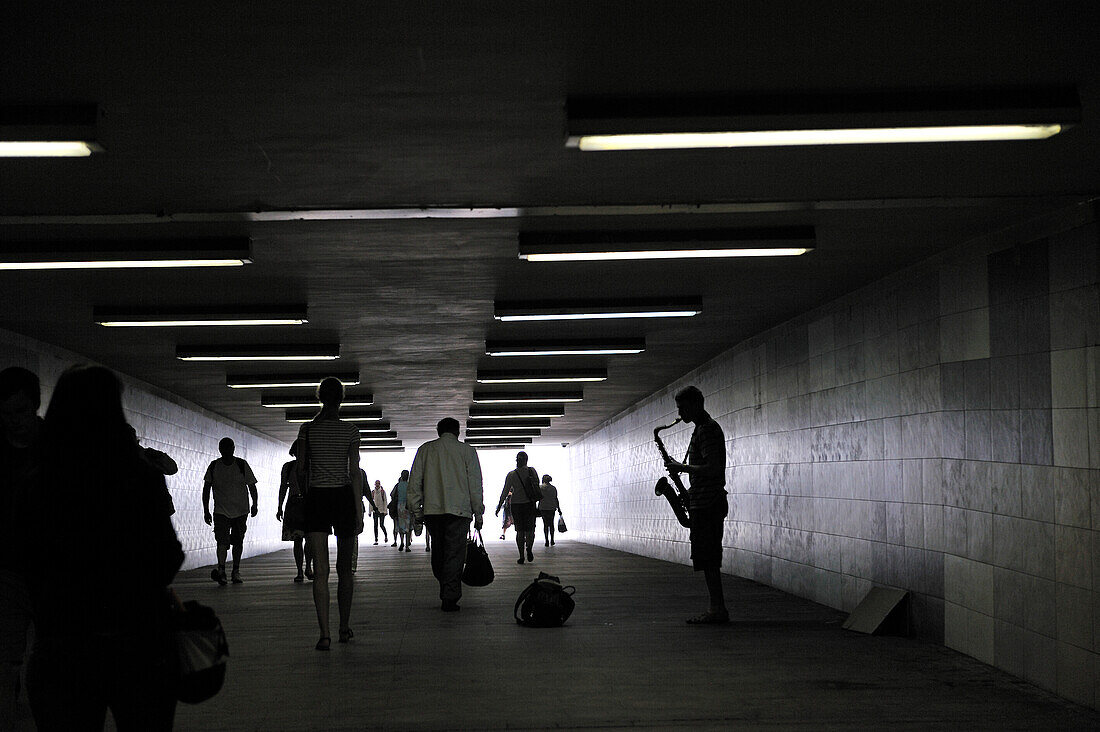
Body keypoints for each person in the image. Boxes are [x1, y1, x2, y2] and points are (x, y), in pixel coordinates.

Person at [16, 365, 183, 730]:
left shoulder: (38, 482)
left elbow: (24, 557)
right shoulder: (139, 478)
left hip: (63, 645)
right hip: (139, 642)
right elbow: (168, 556)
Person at [296, 377, 363, 650]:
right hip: (343, 498)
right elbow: (355, 472)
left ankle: (324, 634)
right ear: (342, 399)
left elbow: (300, 468)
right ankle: (344, 628)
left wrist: (305, 493)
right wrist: (358, 511)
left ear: (320, 397)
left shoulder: (307, 430)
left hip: (317, 498)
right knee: (344, 569)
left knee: (321, 570)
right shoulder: (351, 431)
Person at [662, 385, 729, 624]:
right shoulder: (700, 429)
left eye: (682, 407)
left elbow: (714, 468)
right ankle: (716, 608)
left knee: (709, 558)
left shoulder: (707, 430)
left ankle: (717, 609)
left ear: (695, 404)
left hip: (709, 503)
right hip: (703, 501)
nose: (680, 414)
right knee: (706, 558)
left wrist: (681, 468)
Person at [406, 418, 484, 612]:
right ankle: (450, 595)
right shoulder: (467, 451)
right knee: (455, 554)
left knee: (439, 551)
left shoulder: (425, 450)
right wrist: (478, 512)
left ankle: (446, 588)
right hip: (459, 512)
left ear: (439, 431)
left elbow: (414, 483)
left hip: (433, 511)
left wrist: (417, 511)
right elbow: (475, 484)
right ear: (458, 432)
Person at [0, 367, 41, 730]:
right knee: (5, 658)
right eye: (6, 414)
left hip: (51, 572)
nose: (14, 422)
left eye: (21, 412)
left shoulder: (58, 446)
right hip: (7, 571)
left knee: (50, 660)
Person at [202, 437, 259, 585]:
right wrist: (206, 510)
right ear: (220, 450)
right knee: (222, 540)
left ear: (233, 449)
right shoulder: (214, 466)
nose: (227, 451)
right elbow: (206, 489)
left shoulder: (241, 465)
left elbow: (252, 486)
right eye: (224, 448)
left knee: (237, 541)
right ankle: (222, 570)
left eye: (229, 448)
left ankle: (235, 570)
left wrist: (255, 504)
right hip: (221, 511)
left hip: (240, 511)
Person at [277, 440, 313, 582]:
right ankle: (300, 570)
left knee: (309, 539)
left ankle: (307, 567)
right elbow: (283, 487)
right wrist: (279, 506)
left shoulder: (312, 467)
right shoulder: (288, 467)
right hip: (295, 505)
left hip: (306, 504)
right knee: (298, 539)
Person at [495, 451, 539, 564]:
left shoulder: (512, 474)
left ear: (517, 461)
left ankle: (521, 556)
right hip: (530, 504)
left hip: (517, 505)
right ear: (526, 460)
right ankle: (529, 548)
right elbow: (536, 485)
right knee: (530, 530)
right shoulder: (532, 471)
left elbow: (505, 491)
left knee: (519, 531)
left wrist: (499, 505)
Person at [537, 474, 560, 547]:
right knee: (551, 524)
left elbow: (537, 497)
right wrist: (559, 508)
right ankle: (552, 540)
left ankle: (546, 540)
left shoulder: (540, 487)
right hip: (552, 508)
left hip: (543, 508)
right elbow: (556, 499)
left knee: (545, 524)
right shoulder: (553, 488)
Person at [391, 471, 410, 551]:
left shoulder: (398, 485)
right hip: (408, 506)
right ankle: (407, 546)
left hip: (399, 506)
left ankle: (401, 542)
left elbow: (392, 494)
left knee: (400, 525)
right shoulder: (410, 486)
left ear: (401, 476)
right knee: (408, 526)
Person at [369, 479, 389, 545]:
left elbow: (385, 501)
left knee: (381, 525)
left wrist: (385, 511)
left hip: (382, 511)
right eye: (376, 483)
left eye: (378, 483)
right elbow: (371, 502)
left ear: (379, 484)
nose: (377, 485)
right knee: (375, 525)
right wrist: (370, 511)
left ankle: (386, 536)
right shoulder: (373, 492)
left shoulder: (382, 492)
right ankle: (376, 539)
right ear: (375, 484)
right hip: (375, 511)